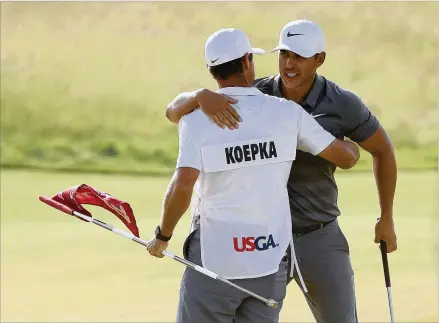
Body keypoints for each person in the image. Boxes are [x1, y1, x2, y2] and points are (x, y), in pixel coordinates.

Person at [165, 19, 398, 323]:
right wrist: (198, 95)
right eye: (284, 54)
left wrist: (387, 217)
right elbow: (174, 111)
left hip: (316, 234)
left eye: (299, 56)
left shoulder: (342, 104)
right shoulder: (255, 94)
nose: (289, 63)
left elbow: (381, 151)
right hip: (261, 241)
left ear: (319, 59)